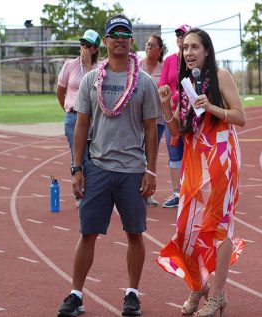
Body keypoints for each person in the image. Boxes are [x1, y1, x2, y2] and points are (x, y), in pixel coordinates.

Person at [57, 14, 161, 317]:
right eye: (113, 34)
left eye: (124, 34)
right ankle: (76, 294)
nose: (119, 38)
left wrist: (151, 170)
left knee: (134, 233)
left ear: (131, 42)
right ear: (105, 41)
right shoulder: (91, 79)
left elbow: (152, 130)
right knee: (87, 233)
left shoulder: (143, 82)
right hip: (98, 167)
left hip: (131, 170)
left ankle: (132, 294)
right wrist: (77, 168)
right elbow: (81, 125)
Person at [156, 28, 246, 317]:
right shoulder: (184, 85)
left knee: (219, 228)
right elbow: (178, 133)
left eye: (195, 47)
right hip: (194, 161)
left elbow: (240, 117)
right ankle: (198, 285)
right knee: (185, 230)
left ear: (207, 50)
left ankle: (216, 296)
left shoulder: (221, 78)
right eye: (186, 48)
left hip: (221, 157)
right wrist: (165, 106)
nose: (189, 53)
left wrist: (212, 106)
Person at [56, 29, 101, 167]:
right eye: (82, 44)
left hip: (93, 118)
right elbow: (60, 91)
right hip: (73, 117)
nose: (84, 48)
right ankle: (78, 187)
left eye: (88, 45)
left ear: (95, 49)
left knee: (93, 158)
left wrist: (88, 66)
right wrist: (69, 108)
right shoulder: (70, 65)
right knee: (76, 158)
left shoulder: (100, 68)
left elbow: (98, 91)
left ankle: (92, 188)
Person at [159, 24, 191, 208]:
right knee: (174, 155)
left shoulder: (193, 59)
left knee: (191, 153)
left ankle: (191, 191)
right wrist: (171, 98)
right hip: (172, 113)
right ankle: (177, 193)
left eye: (184, 34)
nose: (180, 37)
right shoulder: (170, 60)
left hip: (190, 113)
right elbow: (163, 84)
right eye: (178, 34)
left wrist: (182, 97)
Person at [139, 34, 165, 207]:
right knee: (138, 153)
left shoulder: (163, 69)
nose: (149, 47)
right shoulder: (137, 65)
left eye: (152, 45)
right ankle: (135, 190)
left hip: (157, 118)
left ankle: (148, 192)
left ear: (159, 50)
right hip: (138, 118)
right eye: (148, 44)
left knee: (151, 155)